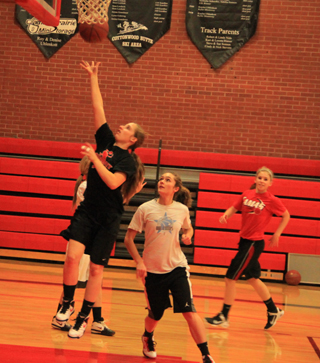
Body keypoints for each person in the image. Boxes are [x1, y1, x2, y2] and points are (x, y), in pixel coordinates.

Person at [54, 60, 146, 339]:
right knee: (72, 258)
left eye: (127, 127)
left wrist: (94, 158)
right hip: (87, 210)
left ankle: (85, 317)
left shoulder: (127, 162)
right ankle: (68, 304)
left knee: (95, 269)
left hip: (108, 218)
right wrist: (93, 77)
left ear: (133, 140)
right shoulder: (106, 141)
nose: (122, 126)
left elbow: (113, 182)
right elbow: (98, 108)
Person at [124, 172, 215, 363]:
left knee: (189, 311)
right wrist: (139, 262)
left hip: (177, 267)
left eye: (167, 180)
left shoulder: (181, 209)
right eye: (161, 179)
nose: (162, 181)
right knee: (155, 314)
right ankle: (148, 336)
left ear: (175, 189)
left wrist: (188, 235)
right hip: (152, 271)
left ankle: (206, 354)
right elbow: (128, 239)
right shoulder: (145, 209)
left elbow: (188, 227)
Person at [205, 166, 290, 330]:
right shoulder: (246, 194)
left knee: (230, 278)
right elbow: (234, 207)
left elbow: (286, 215)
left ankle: (224, 315)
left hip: (254, 244)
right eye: (260, 178)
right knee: (252, 278)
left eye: (265, 179)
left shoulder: (272, 200)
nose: (262, 181)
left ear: (270, 183)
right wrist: (226, 215)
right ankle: (273, 310)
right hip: (244, 241)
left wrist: (277, 234)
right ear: (255, 179)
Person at [52, 156, 115, 336]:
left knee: (95, 281)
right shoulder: (87, 186)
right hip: (84, 240)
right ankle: (59, 316)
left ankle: (98, 321)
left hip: (91, 239)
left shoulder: (91, 184)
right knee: (75, 281)